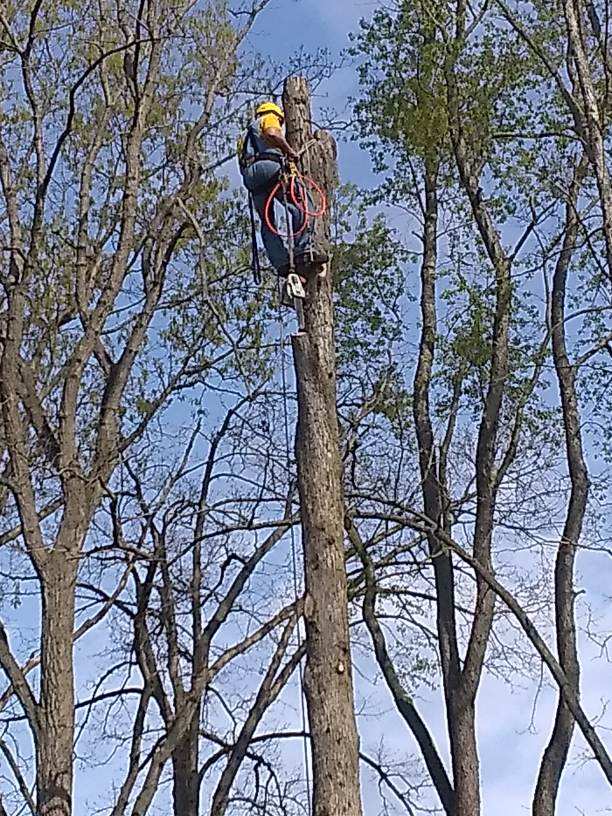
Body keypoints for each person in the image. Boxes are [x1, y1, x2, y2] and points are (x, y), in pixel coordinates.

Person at [239, 101, 328, 278]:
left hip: (251, 177)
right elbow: (272, 133)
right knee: (301, 201)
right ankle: (305, 249)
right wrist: (289, 152)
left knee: (267, 220)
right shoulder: (269, 118)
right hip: (269, 166)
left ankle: (282, 263)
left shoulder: (244, 136)